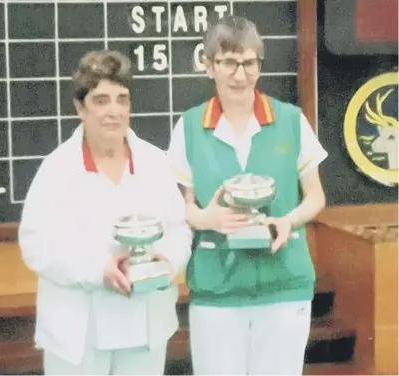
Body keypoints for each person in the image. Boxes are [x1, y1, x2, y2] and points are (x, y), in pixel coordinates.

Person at [167, 15, 328, 375]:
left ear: (259, 64)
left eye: (249, 63)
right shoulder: (190, 126)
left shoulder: (290, 119)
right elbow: (183, 206)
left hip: (285, 285)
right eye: (228, 62)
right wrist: (205, 219)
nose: (240, 75)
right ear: (209, 66)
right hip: (216, 290)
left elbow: (315, 197)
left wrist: (287, 220)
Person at [18, 50, 192, 375]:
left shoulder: (155, 162)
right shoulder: (56, 169)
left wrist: (167, 263)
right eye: (101, 100)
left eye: (121, 99)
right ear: (80, 107)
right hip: (78, 338)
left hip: (144, 330)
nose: (113, 111)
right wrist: (98, 269)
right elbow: (36, 246)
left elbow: (179, 230)